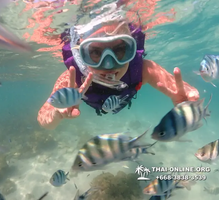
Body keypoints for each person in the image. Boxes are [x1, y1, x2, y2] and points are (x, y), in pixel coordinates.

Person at [37, 7, 199, 130]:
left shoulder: (145, 69)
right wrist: (56, 114)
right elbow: (44, 120)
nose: (109, 64)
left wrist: (187, 99)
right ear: (81, 54)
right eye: (95, 52)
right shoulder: (71, 80)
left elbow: (180, 90)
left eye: (120, 50)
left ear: (132, 49)